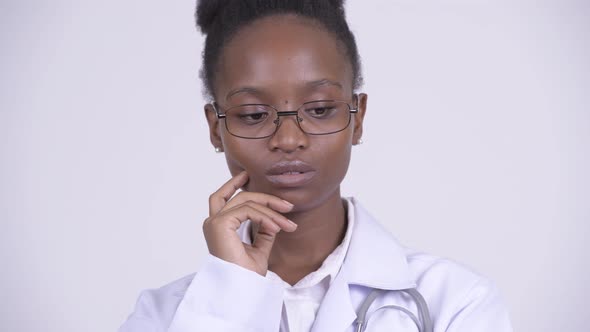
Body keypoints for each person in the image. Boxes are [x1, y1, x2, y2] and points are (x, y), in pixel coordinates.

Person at [119, 0, 513, 331]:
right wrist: (232, 295)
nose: (289, 140)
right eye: (254, 115)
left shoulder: (457, 301)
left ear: (357, 119)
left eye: (321, 109)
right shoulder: (161, 317)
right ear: (215, 129)